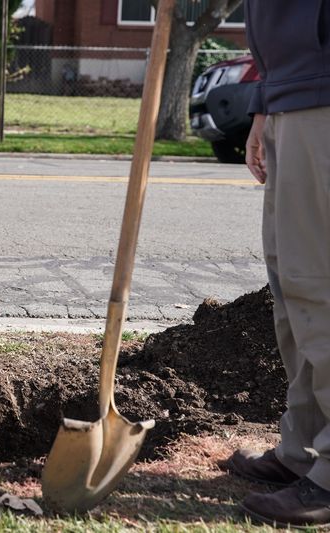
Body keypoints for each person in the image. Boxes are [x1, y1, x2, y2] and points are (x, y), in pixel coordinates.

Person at [225, 0, 330, 527]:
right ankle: (304, 450)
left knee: (320, 285)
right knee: (292, 288)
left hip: (323, 95)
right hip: (292, 93)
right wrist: (264, 105)